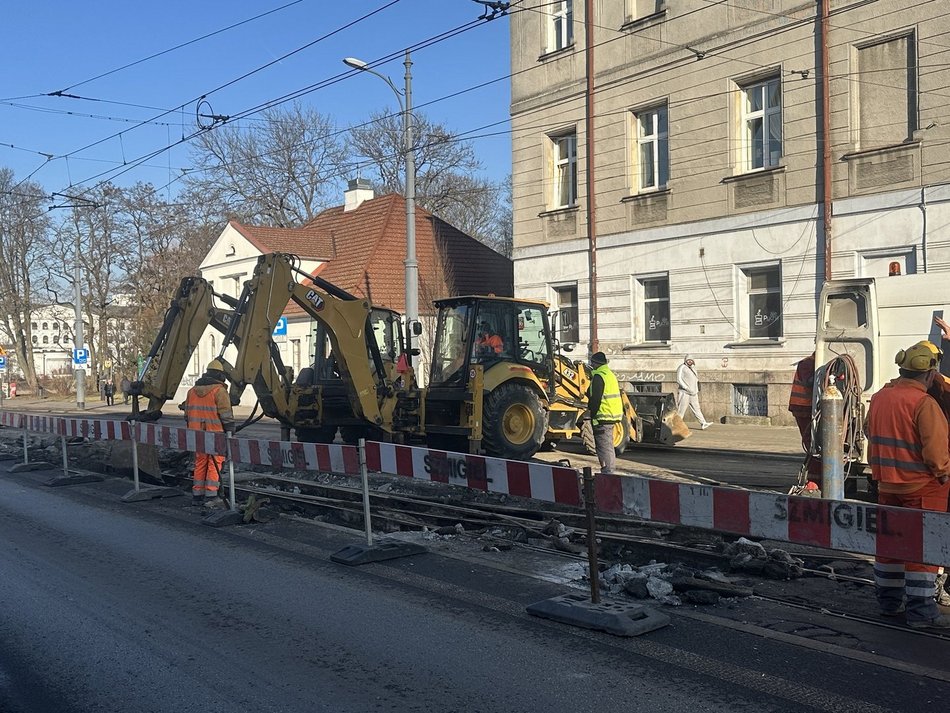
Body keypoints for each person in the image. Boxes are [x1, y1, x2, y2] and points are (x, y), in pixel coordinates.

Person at [865, 341, 950, 629]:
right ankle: (921, 612)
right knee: (922, 550)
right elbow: (936, 453)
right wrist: (943, 474)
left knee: (889, 545)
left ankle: (889, 603)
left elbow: (869, 430)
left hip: (887, 485)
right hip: (922, 488)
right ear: (929, 374)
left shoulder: (879, 397)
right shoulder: (924, 404)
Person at [180, 359, 235, 507]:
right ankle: (211, 495)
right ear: (220, 375)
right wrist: (230, 429)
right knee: (215, 463)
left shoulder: (191, 391)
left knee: (200, 462)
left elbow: (187, 415)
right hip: (215, 433)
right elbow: (226, 415)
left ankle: (197, 494)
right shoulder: (219, 391)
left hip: (197, 434)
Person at [788, 351, 822, 485]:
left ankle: (815, 478)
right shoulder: (807, 363)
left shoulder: (812, 363)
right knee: (813, 444)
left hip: (808, 408)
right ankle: (814, 481)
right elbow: (810, 382)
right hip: (803, 408)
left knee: (815, 444)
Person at [586, 351, 623, 474]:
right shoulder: (609, 374)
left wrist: (592, 415)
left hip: (603, 416)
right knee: (608, 446)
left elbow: (596, 398)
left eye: (592, 363)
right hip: (612, 415)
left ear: (595, 363)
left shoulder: (598, 376)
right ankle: (608, 471)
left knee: (604, 447)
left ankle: (608, 472)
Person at [676, 355, 712, 429]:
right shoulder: (682, 367)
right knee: (681, 410)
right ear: (685, 360)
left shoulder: (693, 368)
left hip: (693, 393)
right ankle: (676, 425)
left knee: (697, 408)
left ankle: (703, 423)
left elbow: (696, 379)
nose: (690, 361)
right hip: (684, 393)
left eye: (691, 360)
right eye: (688, 360)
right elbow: (679, 379)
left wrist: (696, 389)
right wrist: (686, 388)